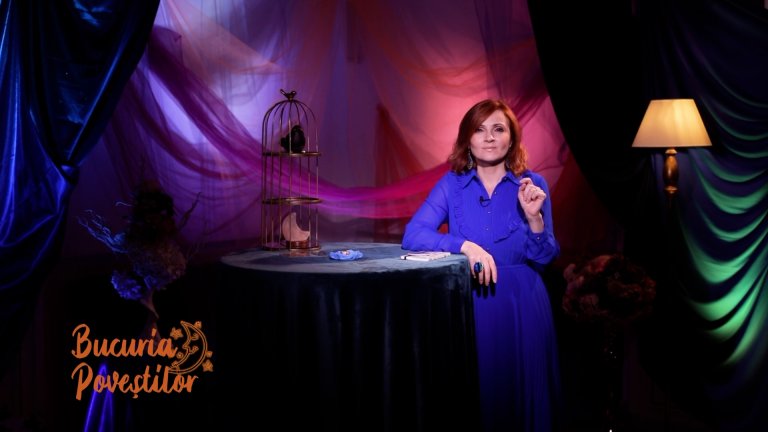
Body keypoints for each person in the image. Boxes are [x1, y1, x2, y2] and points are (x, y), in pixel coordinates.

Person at [401, 99, 561, 431]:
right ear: (468, 139)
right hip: (469, 305)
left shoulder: (533, 185)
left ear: (511, 139)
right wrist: (464, 246)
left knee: (521, 400)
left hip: (523, 307)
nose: (489, 137)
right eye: (479, 129)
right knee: (475, 397)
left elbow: (545, 258)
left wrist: (534, 219)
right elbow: (413, 234)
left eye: (498, 129)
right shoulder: (451, 184)